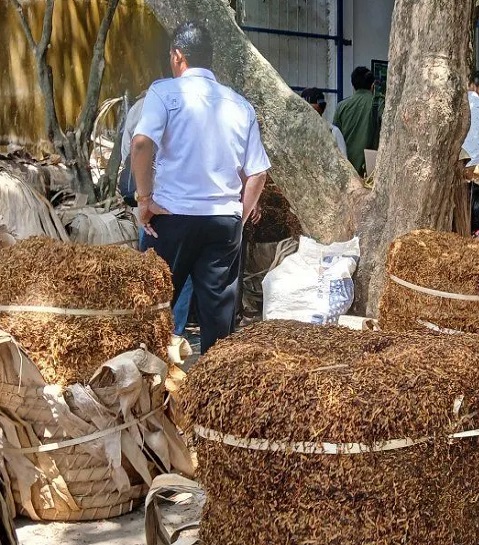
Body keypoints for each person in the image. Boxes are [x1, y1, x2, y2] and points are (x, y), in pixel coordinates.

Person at [131, 21, 270, 354]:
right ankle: (212, 395)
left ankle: (150, 387)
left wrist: (144, 199)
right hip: (222, 223)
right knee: (219, 325)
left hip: (171, 218)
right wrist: (240, 213)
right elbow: (258, 173)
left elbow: (140, 145)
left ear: (178, 56)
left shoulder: (164, 92)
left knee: (151, 311)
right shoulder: (240, 105)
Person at [121, 94, 193, 337]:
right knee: (181, 272)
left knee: (152, 268)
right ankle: (174, 333)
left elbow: (129, 153)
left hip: (152, 203)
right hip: (184, 201)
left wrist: (143, 199)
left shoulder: (140, 108)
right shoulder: (194, 106)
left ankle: (151, 332)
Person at [334, 66, 380, 175]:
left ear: (353, 85)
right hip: (370, 171)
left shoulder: (341, 107)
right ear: (372, 85)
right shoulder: (379, 105)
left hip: (346, 170)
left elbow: (335, 138)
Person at [300, 87, 348, 156]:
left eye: (312, 110)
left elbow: (343, 161)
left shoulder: (333, 132)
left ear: (322, 108)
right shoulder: (294, 131)